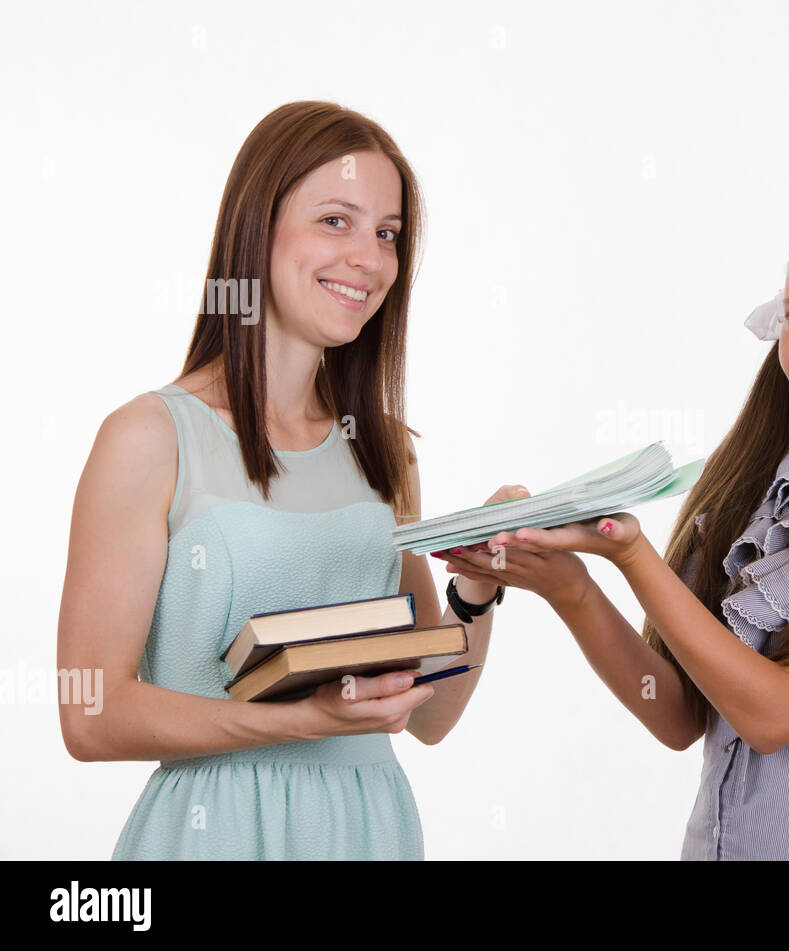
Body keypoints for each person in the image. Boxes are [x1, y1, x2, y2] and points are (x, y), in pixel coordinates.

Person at [438, 193, 789, 860]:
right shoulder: (763, 480)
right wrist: (571, 584)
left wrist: (634, 558)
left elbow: (775, 715)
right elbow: (679, 712)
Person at [56, 101, 513, 860]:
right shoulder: (149, 437)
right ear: (256, 226)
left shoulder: (385, 451)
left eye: (388, 234)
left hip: (369, 829)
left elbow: (431, 715)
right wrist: (302, 721)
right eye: (336, 220)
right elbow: (88, 713)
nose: (368, 258)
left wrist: (478, 586)